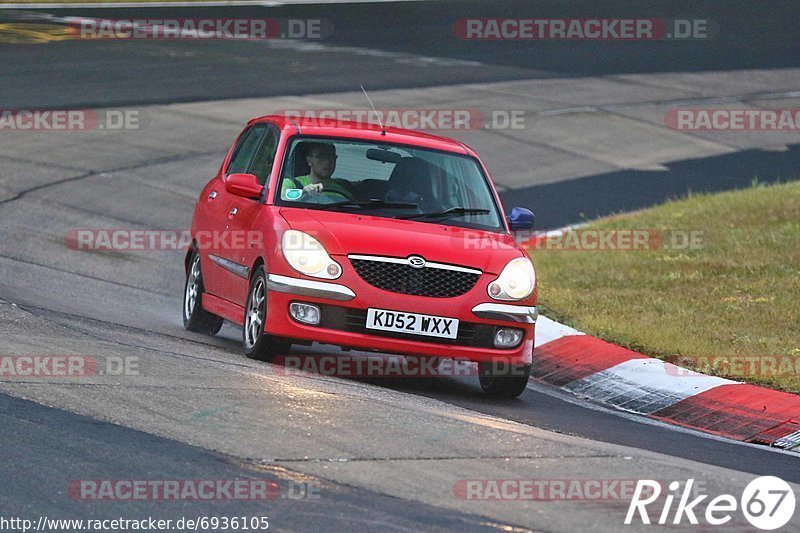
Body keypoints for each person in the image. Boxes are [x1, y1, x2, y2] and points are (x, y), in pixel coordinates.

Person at [280, 142, 352, 201]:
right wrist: (302, 193)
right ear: (309, 161)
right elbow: (281, 201)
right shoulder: (291, 183)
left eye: (331, 157)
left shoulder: (341, 192)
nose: (327, 162)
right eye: (321, 157)